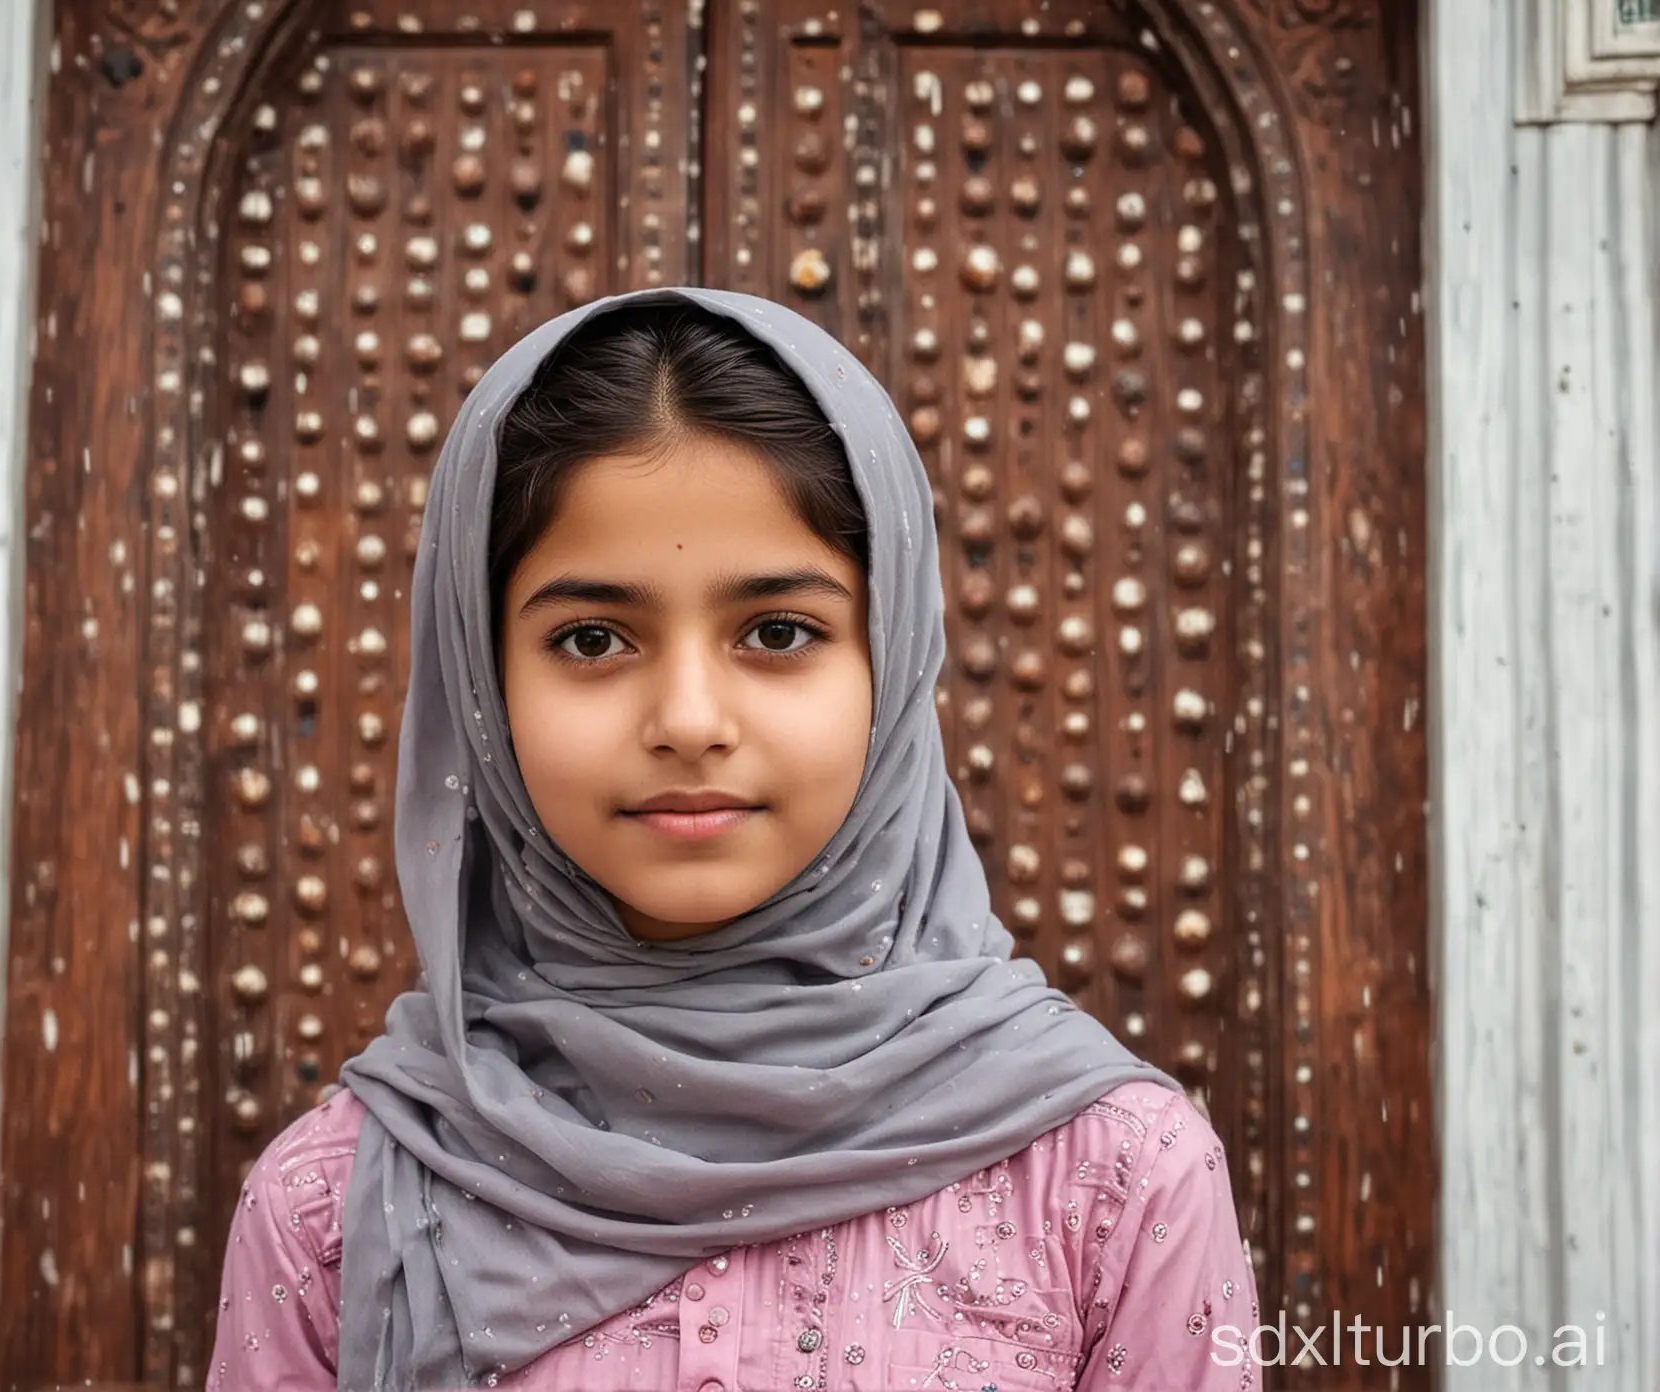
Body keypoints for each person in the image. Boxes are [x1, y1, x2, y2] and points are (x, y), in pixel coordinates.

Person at [205, 288, 1261, 1391]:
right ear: (482, 678)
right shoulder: (332, 1207)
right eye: (594, 638)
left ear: (890, 666)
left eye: (777, 631)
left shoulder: (1114, 1182)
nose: (691, 722)